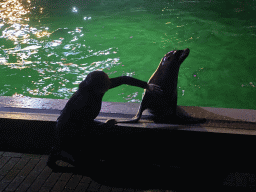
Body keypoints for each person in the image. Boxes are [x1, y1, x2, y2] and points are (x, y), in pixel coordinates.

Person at [47, 70, 162, 171]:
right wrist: (105, 125)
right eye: (107, 84)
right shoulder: (84, 101)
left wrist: (146, 86)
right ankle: (59, 152)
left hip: (81, 123)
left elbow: (123, 79)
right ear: (98, 87)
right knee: (88, 167)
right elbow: (83, 126)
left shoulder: (95, 86)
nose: (109, 85)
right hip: (70, 132)